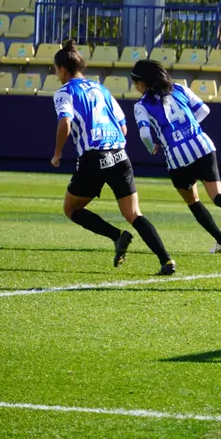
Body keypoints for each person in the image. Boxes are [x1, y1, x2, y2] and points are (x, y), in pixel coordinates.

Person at [50, 40, 176, 275]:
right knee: (134, 213)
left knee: (72, 209)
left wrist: (58, 153)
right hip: (120, 155)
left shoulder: (64, 92)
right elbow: (123, 126)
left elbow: (65, 122)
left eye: (56, 69)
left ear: (63, 69)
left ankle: (117, 236)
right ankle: (166, 260)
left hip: (93, 157)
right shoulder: (101, 89)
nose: (56, 74)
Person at [130, 59, 221, 254]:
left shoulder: (141, 105)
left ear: (143, 83)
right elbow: (204, 110)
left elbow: (144, 134)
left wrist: (151, 147)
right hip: (202, 146)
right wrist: (190, 126)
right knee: (217, 194)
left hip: (177, 157)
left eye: (135, 83)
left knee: (193, 201)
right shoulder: (179, 88)